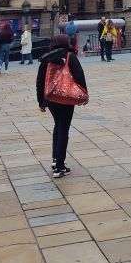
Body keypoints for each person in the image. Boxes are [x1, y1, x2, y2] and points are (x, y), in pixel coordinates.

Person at [36, 34, 87, 178]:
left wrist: (41, 102)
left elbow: (40, 81)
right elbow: (79, 76)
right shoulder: (70, 56)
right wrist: (84, 95)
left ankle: (55, 159)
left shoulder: (46, 58)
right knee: (63, 130)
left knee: (58, 127)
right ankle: (59, 167)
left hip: (51, 98)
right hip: (66, 97)